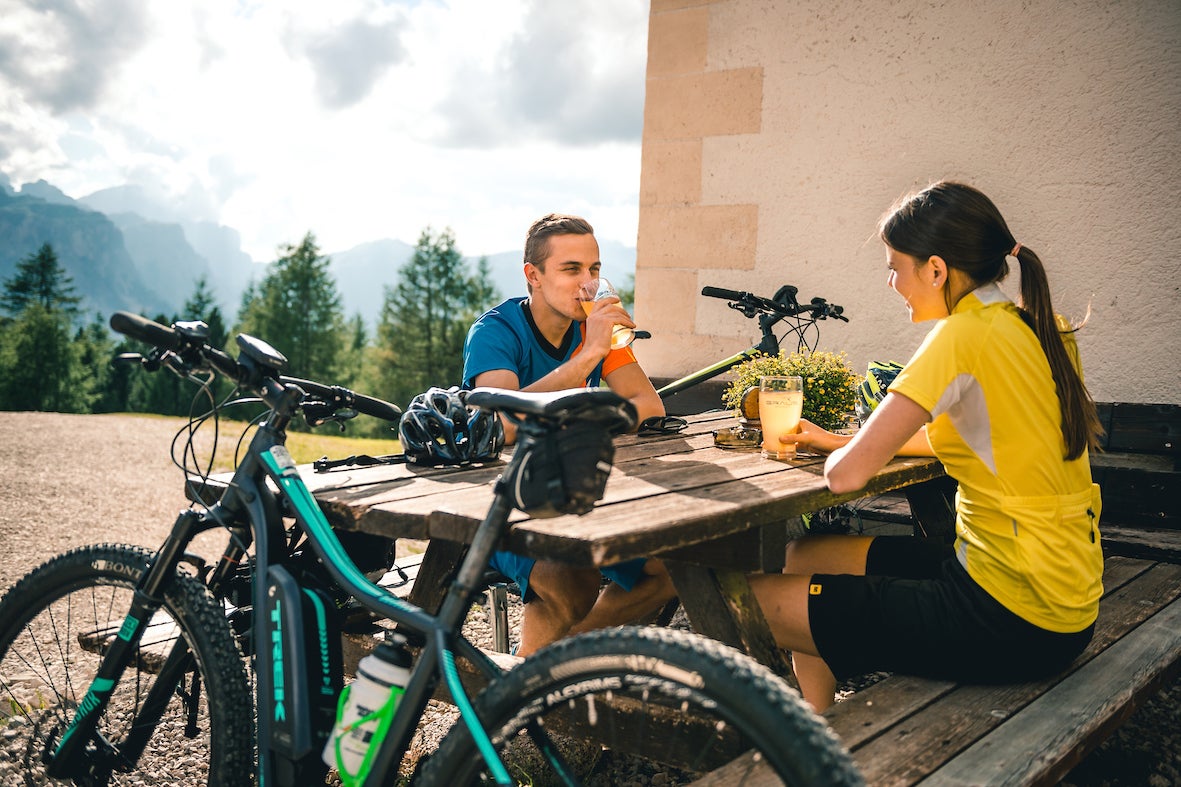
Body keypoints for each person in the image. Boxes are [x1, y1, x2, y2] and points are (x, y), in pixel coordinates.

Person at [749, 181, 1105, 712]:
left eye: (896, 266)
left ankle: (808, 753)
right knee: (803, 554)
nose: (892, 282)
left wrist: (844, 454)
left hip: (1009, 617)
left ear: (936, 270)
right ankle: (819, 728)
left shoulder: (962, 336)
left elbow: (843, 480)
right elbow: (961, 439)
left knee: (746, 600)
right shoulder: (1040, 327)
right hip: (1059, 600)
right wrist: (842, 439)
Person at [462, 213, 675, 656]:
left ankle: (555, 669)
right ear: (533, 276)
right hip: (498, 500)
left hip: (573, 486)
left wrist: (582, 402)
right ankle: (540, 684)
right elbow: (498, 423)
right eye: (571, 269)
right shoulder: (496, 331)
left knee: (676, 565)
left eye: (594, 269)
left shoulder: (595, 328)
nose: (587, 284)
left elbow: (648, 406)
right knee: (570, 577)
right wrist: (586, 362)